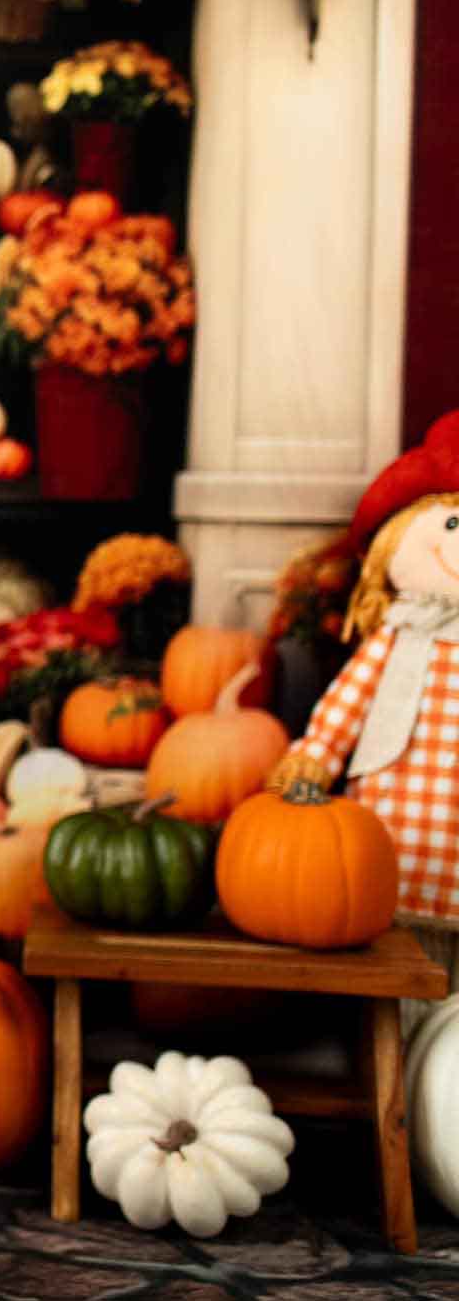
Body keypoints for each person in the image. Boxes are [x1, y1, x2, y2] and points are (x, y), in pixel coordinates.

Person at [269, 409, 459, 1035]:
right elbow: (348, 703)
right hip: (390, 837)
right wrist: (316, 754)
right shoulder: (397, 636)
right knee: (394, 976)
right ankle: (388, 1052)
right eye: (451, 522)